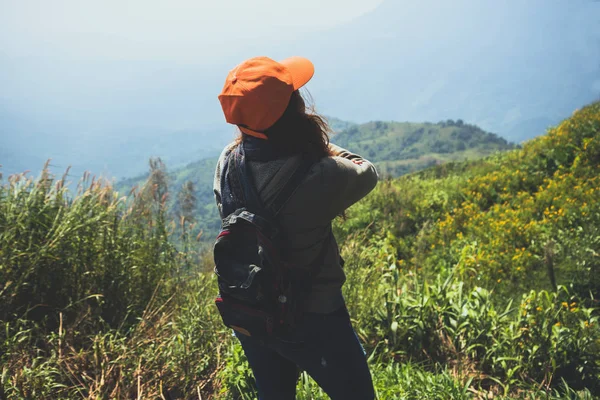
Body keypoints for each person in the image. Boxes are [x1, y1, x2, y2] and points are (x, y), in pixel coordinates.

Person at [214, 56, 378, 399]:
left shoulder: (228, 162)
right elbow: (366, 171)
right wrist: (319, 145)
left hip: (253, 306)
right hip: (317, 314)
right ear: (294, 111)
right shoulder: (321, 173)